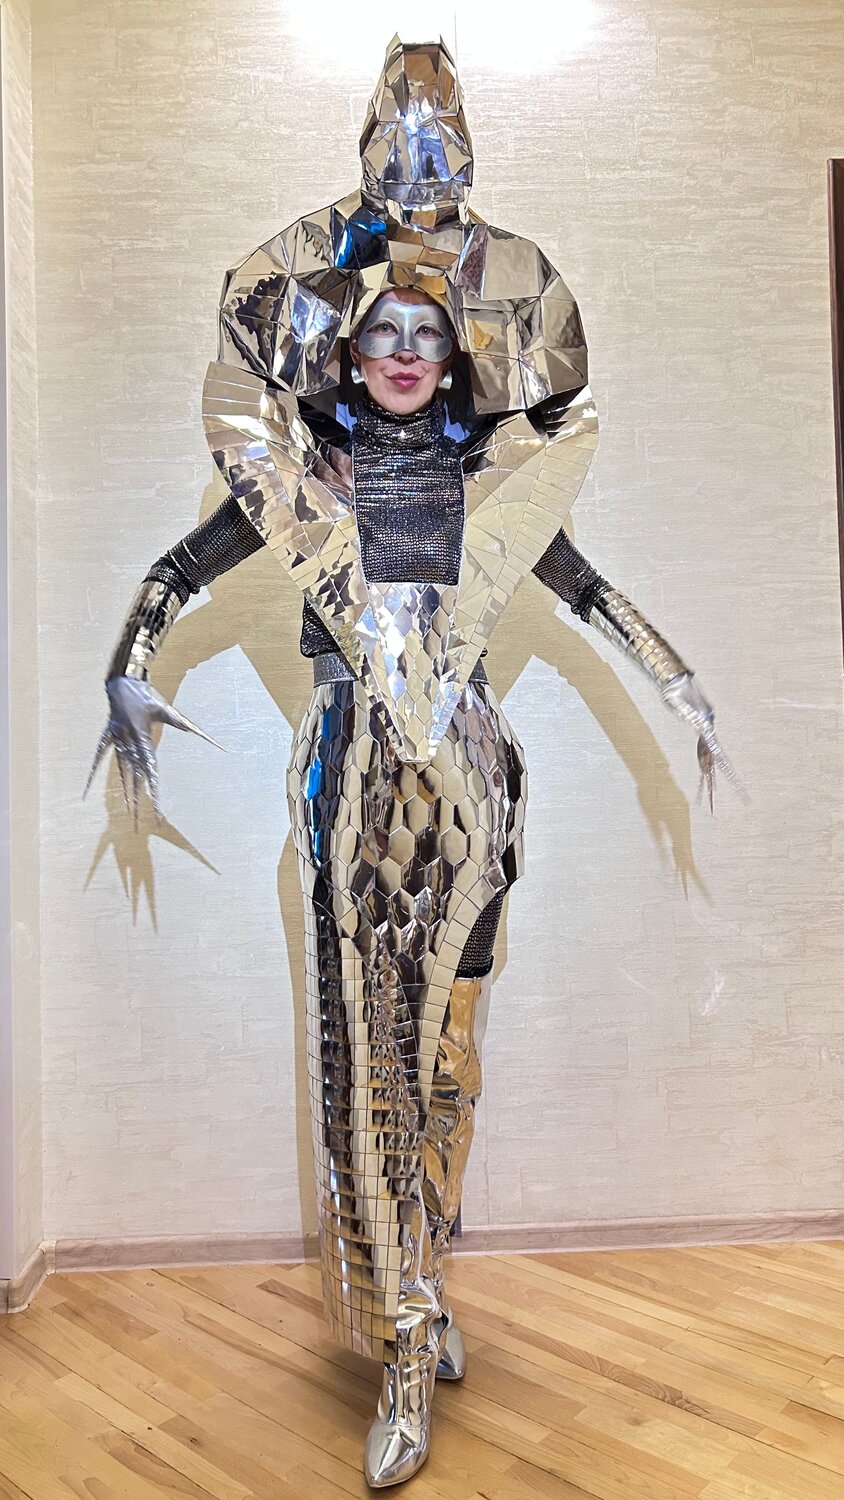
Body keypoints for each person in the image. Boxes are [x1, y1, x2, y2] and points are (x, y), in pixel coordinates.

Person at [86, 36, 740, 1490]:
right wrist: (129, 670)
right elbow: (176, 572)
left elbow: (582, 586)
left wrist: (681, 686)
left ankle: (425, 1286)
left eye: (425, 336)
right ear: (344, 351)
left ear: (456, 358)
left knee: (450, 1052)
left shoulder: (487, 488)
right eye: (377, 331)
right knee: (367, 1057)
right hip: (352, 782)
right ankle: (395, 1337)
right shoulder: (302, 487)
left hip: (477, 788)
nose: (399, 350)